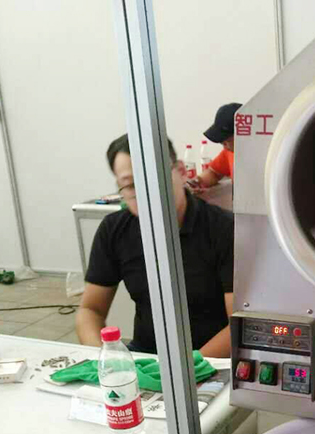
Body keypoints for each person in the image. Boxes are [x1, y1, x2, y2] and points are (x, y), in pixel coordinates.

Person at [75, 134, 233, 357]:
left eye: (155, 176)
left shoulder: (224, 229)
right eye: (131, 185)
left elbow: (238, 326)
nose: (146, 192)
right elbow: (91, 309)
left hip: (211, 360)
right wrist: (105, 359)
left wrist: (189, 368)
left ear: (181, 172)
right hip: (147, 357)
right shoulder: (114, 230)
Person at [188, 102, 241, 194]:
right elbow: (214, 173)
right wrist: (197, 182)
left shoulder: (264, 156)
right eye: (222, 142)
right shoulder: (230, 152)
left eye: (227, 141)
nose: (224, 145)